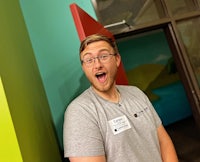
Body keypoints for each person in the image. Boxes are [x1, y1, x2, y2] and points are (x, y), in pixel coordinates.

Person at [63, 34, 179, 162]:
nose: (97, 65)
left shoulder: (136, 93)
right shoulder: (80, 112)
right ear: (84, 67)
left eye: (103, 56)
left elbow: (163, 141)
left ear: (117, 59)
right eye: (89, 60)